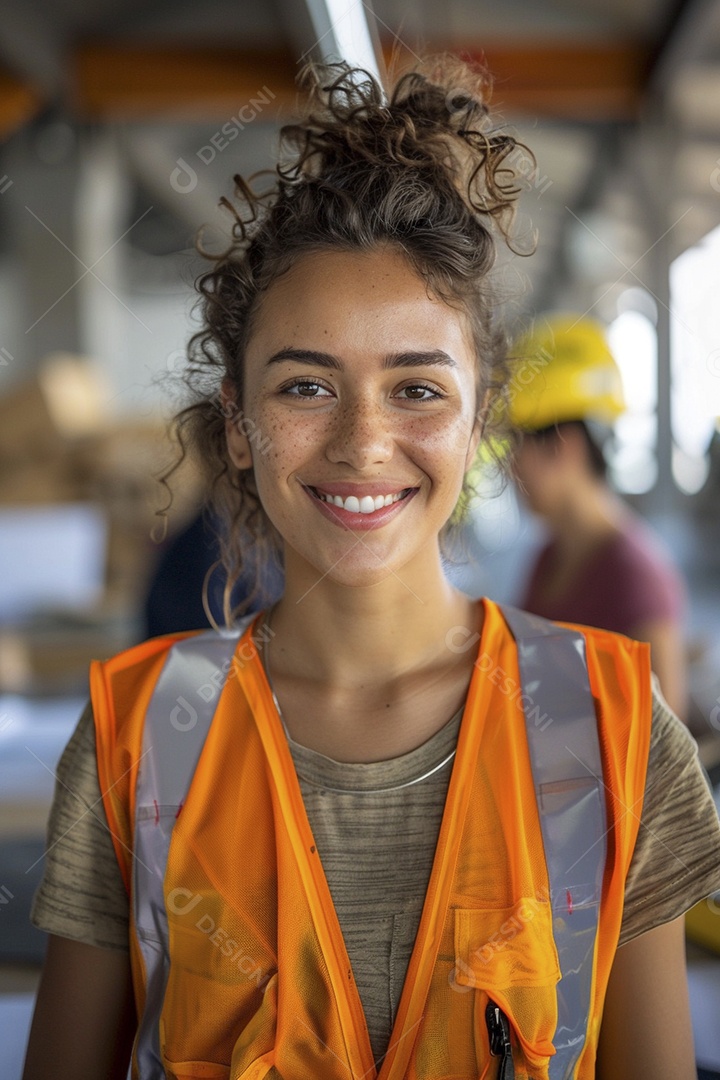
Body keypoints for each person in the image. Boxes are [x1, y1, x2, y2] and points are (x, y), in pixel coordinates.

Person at [22, 60, 720, 1080]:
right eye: (306, 384)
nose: (362, 442)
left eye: (417, 390)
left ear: (480, 422)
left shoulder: (613, 730)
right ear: (241, 428)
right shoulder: (137, 737)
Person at [510, 315, 688, 719]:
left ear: (561, 446)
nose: (510, 467)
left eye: (516, 445)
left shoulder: (635, 579)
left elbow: (661, 754)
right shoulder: (548, 558)